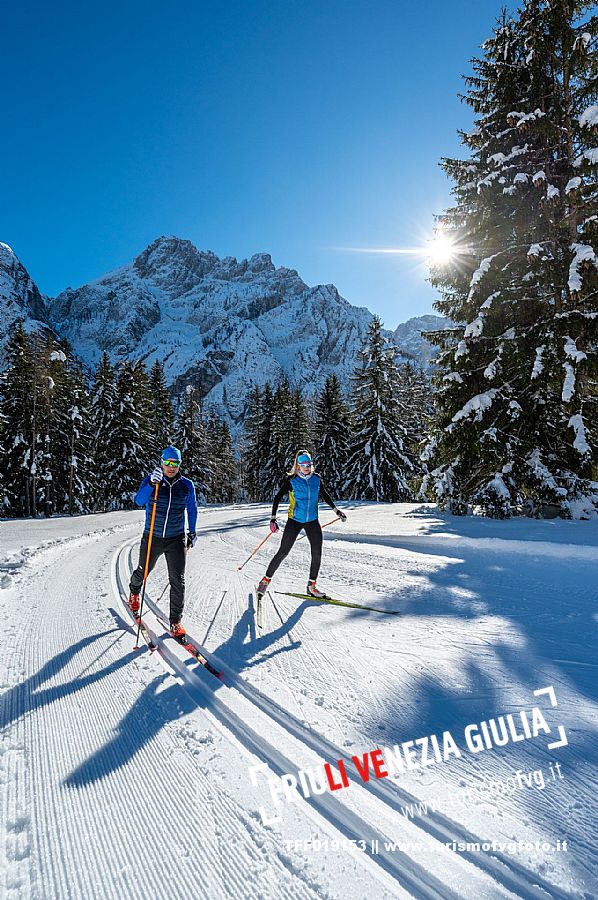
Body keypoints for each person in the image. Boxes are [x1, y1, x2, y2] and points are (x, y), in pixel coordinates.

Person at [256, 450, 347, 599]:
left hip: (312, 521)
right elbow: (277, 497)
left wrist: (337, 511)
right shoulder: (292, 481)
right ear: (298, 466)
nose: (307, 467)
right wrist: (273, 518)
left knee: (317, 553)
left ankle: (312, 586)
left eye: (309, 464)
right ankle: (265, 581)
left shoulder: (316, 479)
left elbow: (325, 495)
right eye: (304, 465)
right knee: (283, 552)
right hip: (295, 521)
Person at [128, 446, 198, 636]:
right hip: (152, 536)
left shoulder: (186, 485)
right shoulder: (153, 481)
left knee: (178, 581)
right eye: (167, 462)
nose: (171, 467)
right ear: (161, 462)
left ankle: (175, 621)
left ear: (179, 465)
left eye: (175, 463)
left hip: (176, 538)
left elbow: (191, 509)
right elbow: (139, 501)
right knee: (143, 571)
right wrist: (151, 483)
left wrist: (192, 532)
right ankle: (134, 592)